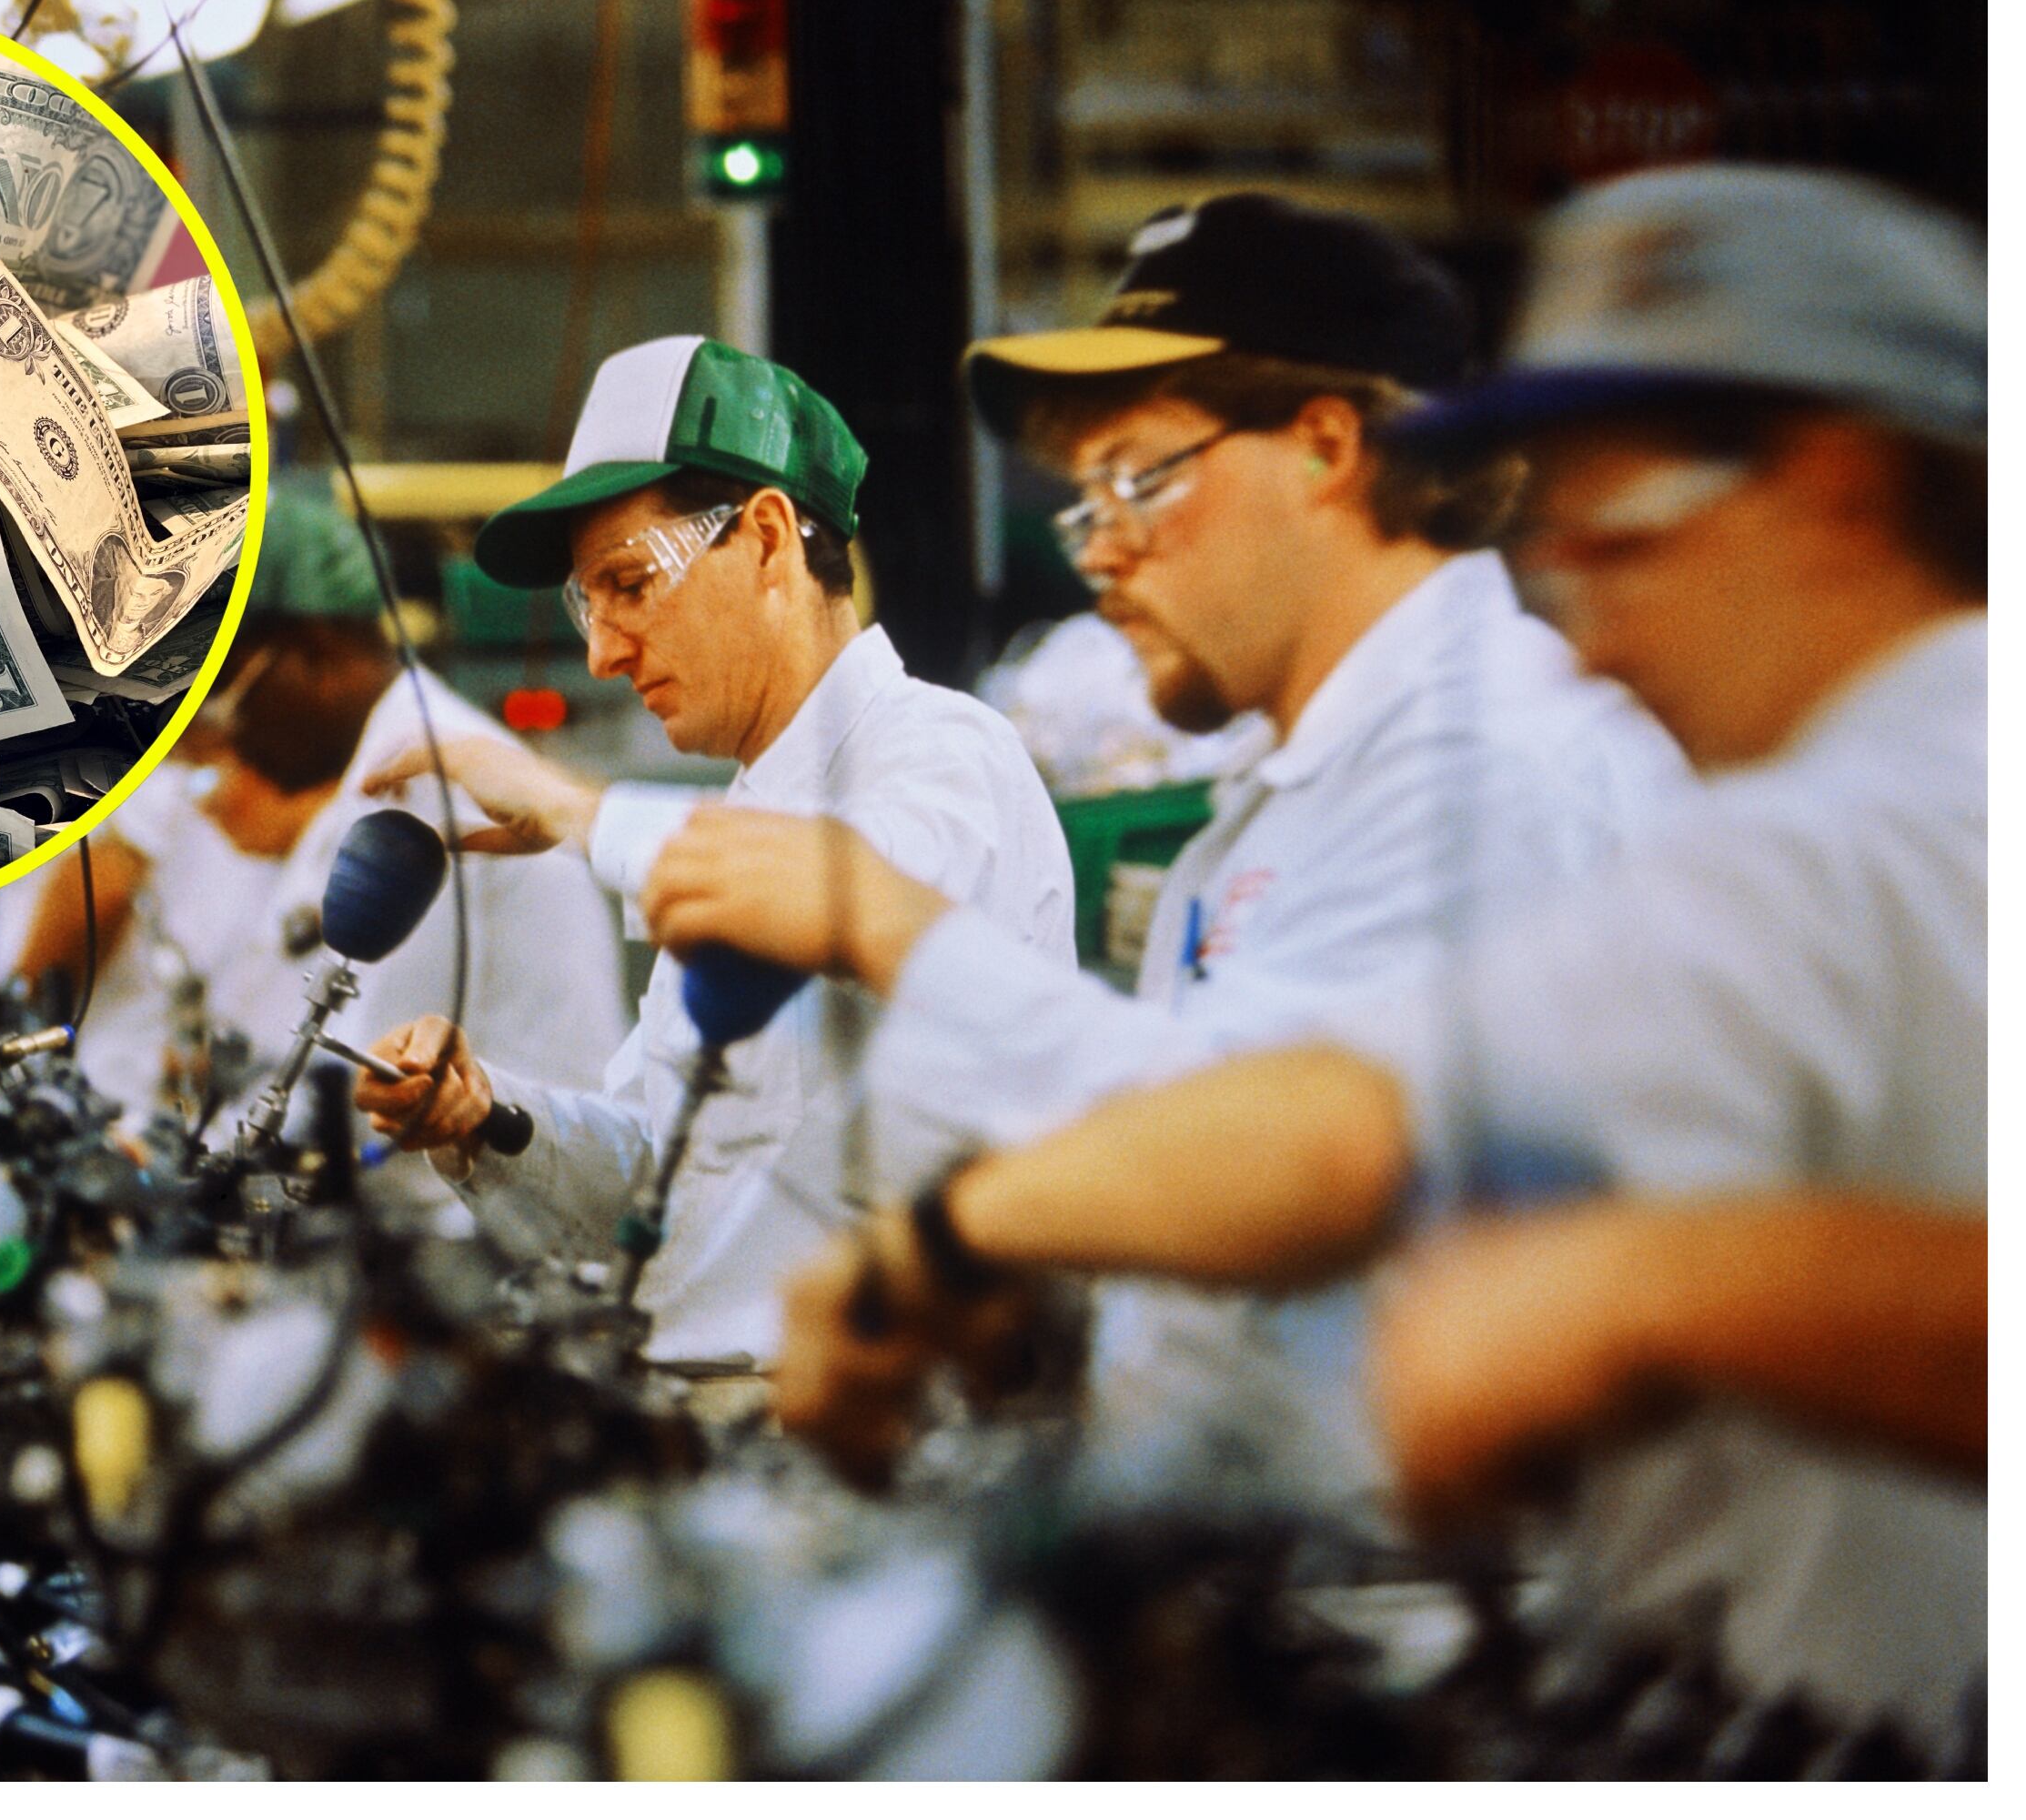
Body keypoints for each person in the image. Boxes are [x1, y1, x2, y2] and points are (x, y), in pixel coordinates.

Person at [774, 166, 1985, 1767]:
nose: (1592, 634)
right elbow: (1369, 1109)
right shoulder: (1824, 802)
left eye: (1617, 537)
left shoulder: (1844, 813)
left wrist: (1657, 1291)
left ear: (1831, 487)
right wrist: (994, 1268)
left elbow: (1348, 1140)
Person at [637, 193, 1687, 1510]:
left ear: (1325, 446)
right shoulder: (1287, 789)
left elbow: (1290, 1160)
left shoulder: (1487, 765)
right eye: (1084, 503)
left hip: (1431, 1599)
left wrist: (895, 940)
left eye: (1140, 477)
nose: (1106, 551)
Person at [352, 337, 1073, 1371]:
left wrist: (578, 809)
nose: (601, 650)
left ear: (771, 539)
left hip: (883, 1433)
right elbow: (666, 1182)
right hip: (708, 1415)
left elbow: (848, 901)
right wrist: (487, 1118)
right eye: (584, 605)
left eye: (630, 583)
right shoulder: (755, 809)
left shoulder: (943, 753)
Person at [13, 476, 627, 1148]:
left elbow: (346, 1087)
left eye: (220, 697)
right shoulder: (375, 776)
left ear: (317, 652)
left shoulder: (434, 791)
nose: (226, 739)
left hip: (494, 1215)